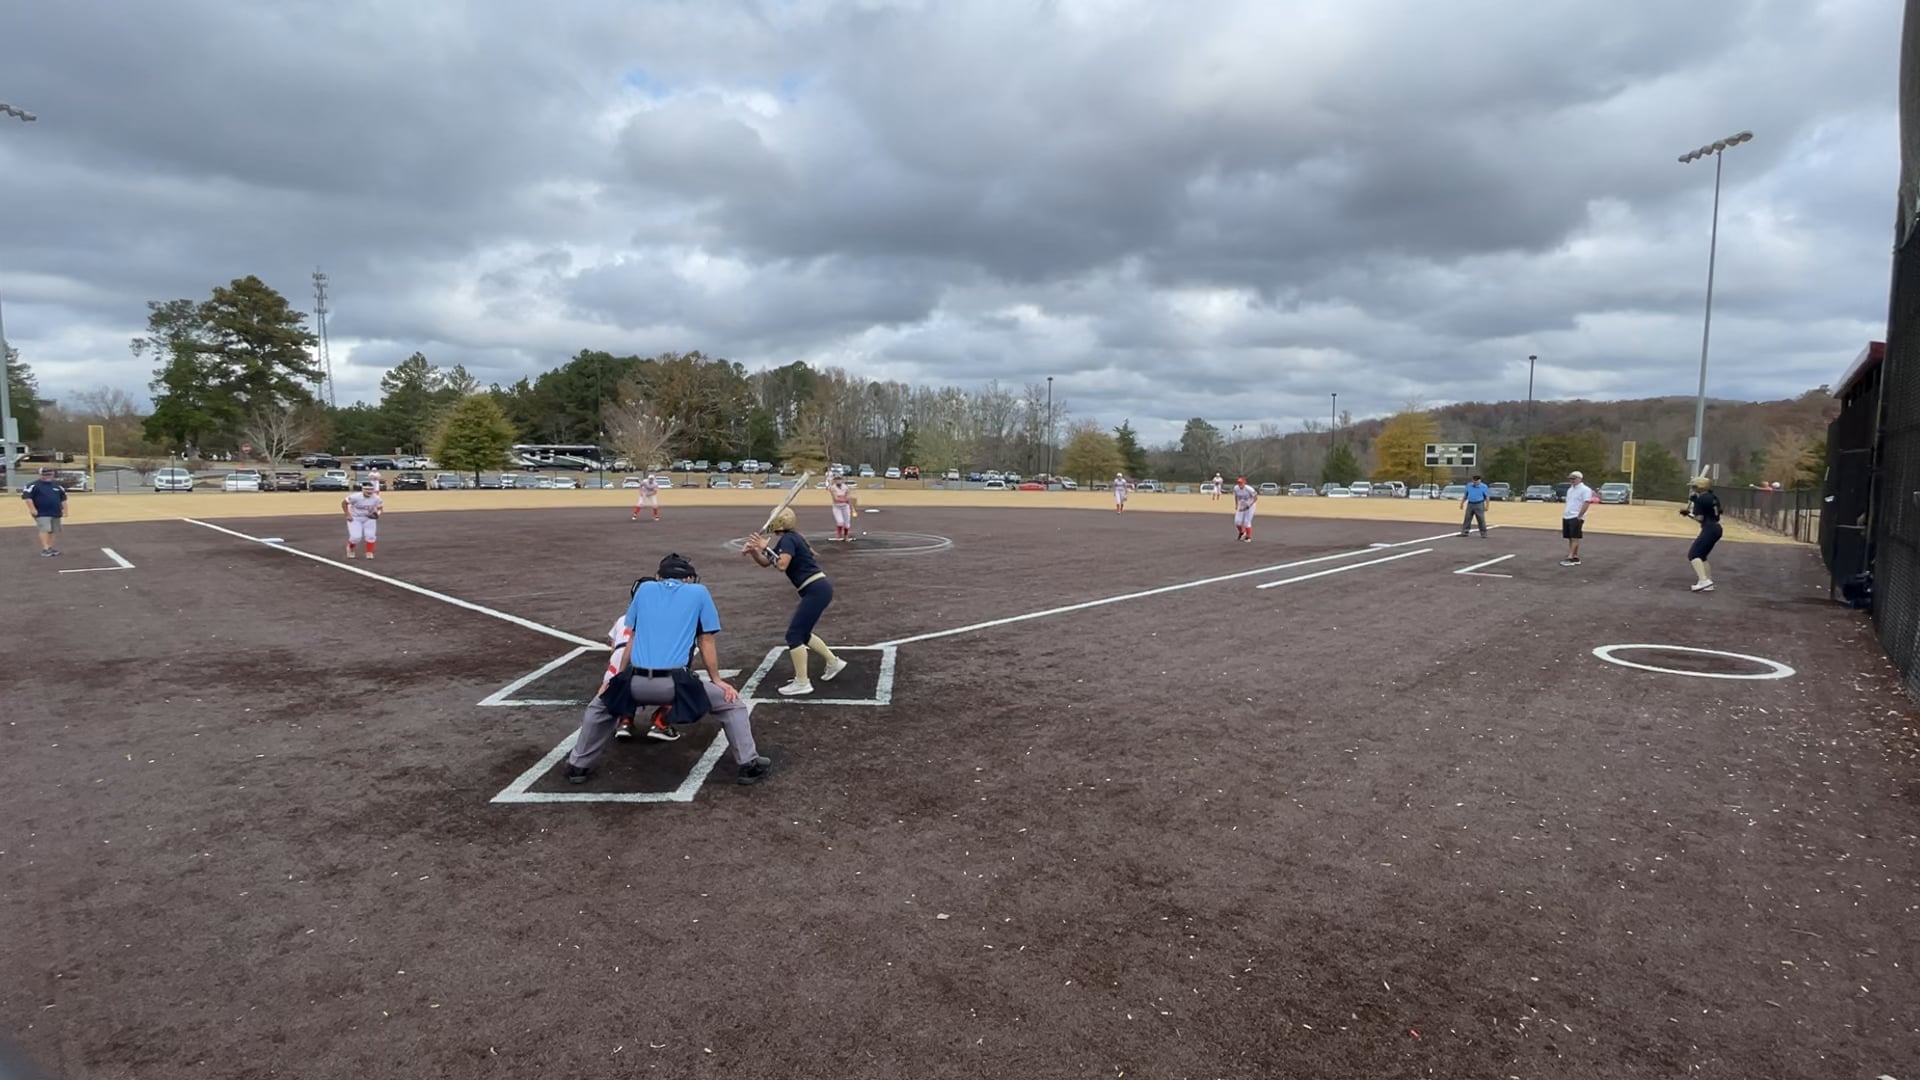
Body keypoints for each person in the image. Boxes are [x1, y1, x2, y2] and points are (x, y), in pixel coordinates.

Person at [564, 553, 768, 786]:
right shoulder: (699, 592)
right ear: (688, 578)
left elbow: (632, 638)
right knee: (732, 704)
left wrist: (617, 677)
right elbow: (706, 641)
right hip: (675, 685)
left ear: (659, 576)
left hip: (634, 682)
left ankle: (577, 766)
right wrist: (717, 680)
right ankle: (749, 764)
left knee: (599, 708)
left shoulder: (644, 590)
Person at [743, 507, 849, 696]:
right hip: (817, 589)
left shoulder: (789, 539)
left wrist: (764, 547)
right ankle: (833, 662)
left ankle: (802, 682)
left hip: (815, 589)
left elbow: (782, 565)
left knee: (794, 635)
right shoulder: (789, 539)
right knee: (803, 633)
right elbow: (767, 562)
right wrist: (754, 551)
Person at [606, 577, 682, 742]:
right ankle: (661, 722)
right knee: (684, 683)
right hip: (645, 677)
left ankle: (625, 721)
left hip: (613, 675)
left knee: (624, 684)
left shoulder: (622, 619)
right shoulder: (661, 620)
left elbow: (612, 647)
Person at [1681, 475, 1723, 592]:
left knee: (1693, 554)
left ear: (1699, 487)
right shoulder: (1713, 497)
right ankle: (1708, 583)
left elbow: (1699, 518)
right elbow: (1718, 511)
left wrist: (1688, 514)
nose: (1693, 489)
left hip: (1709, 528)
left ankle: (1704, 580)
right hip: (1716, 528)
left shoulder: (1701, 500)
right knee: (1702, 556)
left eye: (1694, 487)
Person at [20, 466, 67, 557]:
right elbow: (28, 498)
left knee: (53, 530)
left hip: (55, 512)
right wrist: (32, 509)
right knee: (45, 529)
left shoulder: (58, 486)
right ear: (40, 475)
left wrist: (65, 510)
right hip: (41, 512)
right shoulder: (32, 486)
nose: (47, 476)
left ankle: (50, 547)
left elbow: (63, 499)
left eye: (49, 474)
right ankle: (45, 548)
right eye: (45, 474)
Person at [1559, 470, 1597, 566]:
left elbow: (1586, 502)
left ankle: (1570, 557)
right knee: (1570, 537)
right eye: (1570, 479)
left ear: (1580, 479)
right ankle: (1575, 556)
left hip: (1576, 516)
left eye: (1574, 478)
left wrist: (1580, 515)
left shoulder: (1585, 490)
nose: (1572, 480)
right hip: (1567, 515)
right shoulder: (1570, 489)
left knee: (1575, 537)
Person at [342, 480, 383, 559]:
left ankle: (369, 552)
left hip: (369, 518)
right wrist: (347, 514)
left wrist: (377, 514)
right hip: (355, 518)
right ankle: (350, 548)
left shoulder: (376, 498)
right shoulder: (355, 497)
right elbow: (344, 503)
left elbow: (380, 508)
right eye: (367, 489)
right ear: (363, 489)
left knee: (370, 536)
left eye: (371, 489)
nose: (369, 491)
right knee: (356, 537)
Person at [1458, 474, 1491, 538]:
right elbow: (1466, 495)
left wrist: (1487, 506)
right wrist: (1462, 503)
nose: (1475, 482)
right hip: (1470, 504)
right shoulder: (1469, 485)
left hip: (1479, 504)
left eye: (1477, 481)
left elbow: (1487, 497)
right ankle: (1465, 532)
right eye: (1474, 481)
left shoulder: (1484, 486)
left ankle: (1483, 533)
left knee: (1481, 519)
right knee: (1467, 518)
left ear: (1480, 480)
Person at [827, 472, 855, 541]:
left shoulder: (846, 488)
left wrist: (849, 502)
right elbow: (836, 499)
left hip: (845, 507)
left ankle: (846, 536)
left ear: (842, 480)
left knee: (847, 523)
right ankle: (839, 535)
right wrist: (845, 500)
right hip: (837, 507)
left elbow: (848, 496)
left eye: (839, 479)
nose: (838, 481)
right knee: (840, 522)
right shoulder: (833, 488)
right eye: (836, 479)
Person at [1231, 476, 1258, 542]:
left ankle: (1248, 537)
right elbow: (1236, 496)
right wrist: (1236, 505)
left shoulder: (1249, 489)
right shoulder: (1236, 488)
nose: (1239, 484)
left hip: (1250, 505)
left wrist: (1250, 505)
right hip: (1242, 505)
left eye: (1241, 483)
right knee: (1237, 521)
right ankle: (1242, 533)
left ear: (1244, 483)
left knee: (1246, 521)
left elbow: (1255, 497)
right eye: (1238, 483)